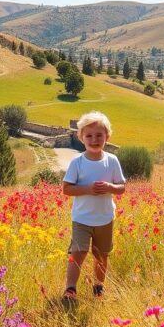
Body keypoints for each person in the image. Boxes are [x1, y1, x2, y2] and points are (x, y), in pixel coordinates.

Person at [62, 111, 126, 300]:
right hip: (81, 218)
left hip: (105, 218)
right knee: (77, 252)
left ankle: (99, 287)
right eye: (89, 136)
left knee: (101, 255)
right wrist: (88, 189)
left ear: (107, 136)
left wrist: (110, 187)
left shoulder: (112, 161)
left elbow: (122, 187)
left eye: (99, 135)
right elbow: (67, 189)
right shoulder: (77, 162)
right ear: (81, 138)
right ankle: (71, 288)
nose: (94, 139)